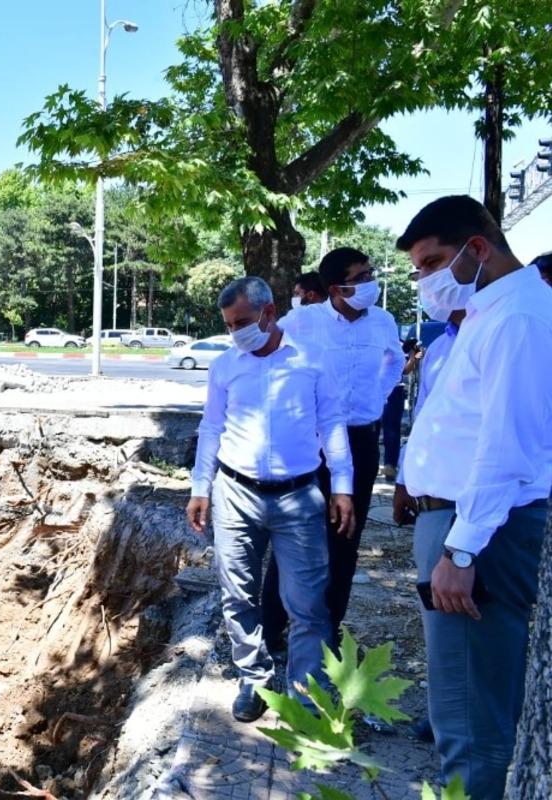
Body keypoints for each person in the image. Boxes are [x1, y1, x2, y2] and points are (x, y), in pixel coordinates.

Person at [396, 195, 552, 800]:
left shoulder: (518, 317)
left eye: (433, 262)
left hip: (477, 531)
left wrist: (460, 553)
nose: (425, 281)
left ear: (477, 248)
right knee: (472, 700)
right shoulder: (496, 312)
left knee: (467, 717)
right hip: (465, 525)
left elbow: (504, 449)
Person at [186, 276, 354, 723]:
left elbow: (333, 424)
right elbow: (211, 429)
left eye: (241, 321)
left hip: (298, 497)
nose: (235, 332)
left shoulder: (311, 361)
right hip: (236, 493)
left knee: (308, 604)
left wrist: (342, 486)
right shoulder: (226, 366)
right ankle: (254, 678)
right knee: (238, 595)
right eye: (228, 325)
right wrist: (200, 488)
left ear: (269, 312)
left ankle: (304, 697)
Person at [261, 248, 404, 649]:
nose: (370, 282)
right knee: (296, 534)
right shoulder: (305, 321)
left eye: (370, 272)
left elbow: (395, 362)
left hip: (360, 441)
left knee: (345, 538)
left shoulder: (383, 322)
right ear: (337, 287)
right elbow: (266, 348)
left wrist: (377, 396)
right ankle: (271, 629)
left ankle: (327, 630)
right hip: (314, 443)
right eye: (361, 277)